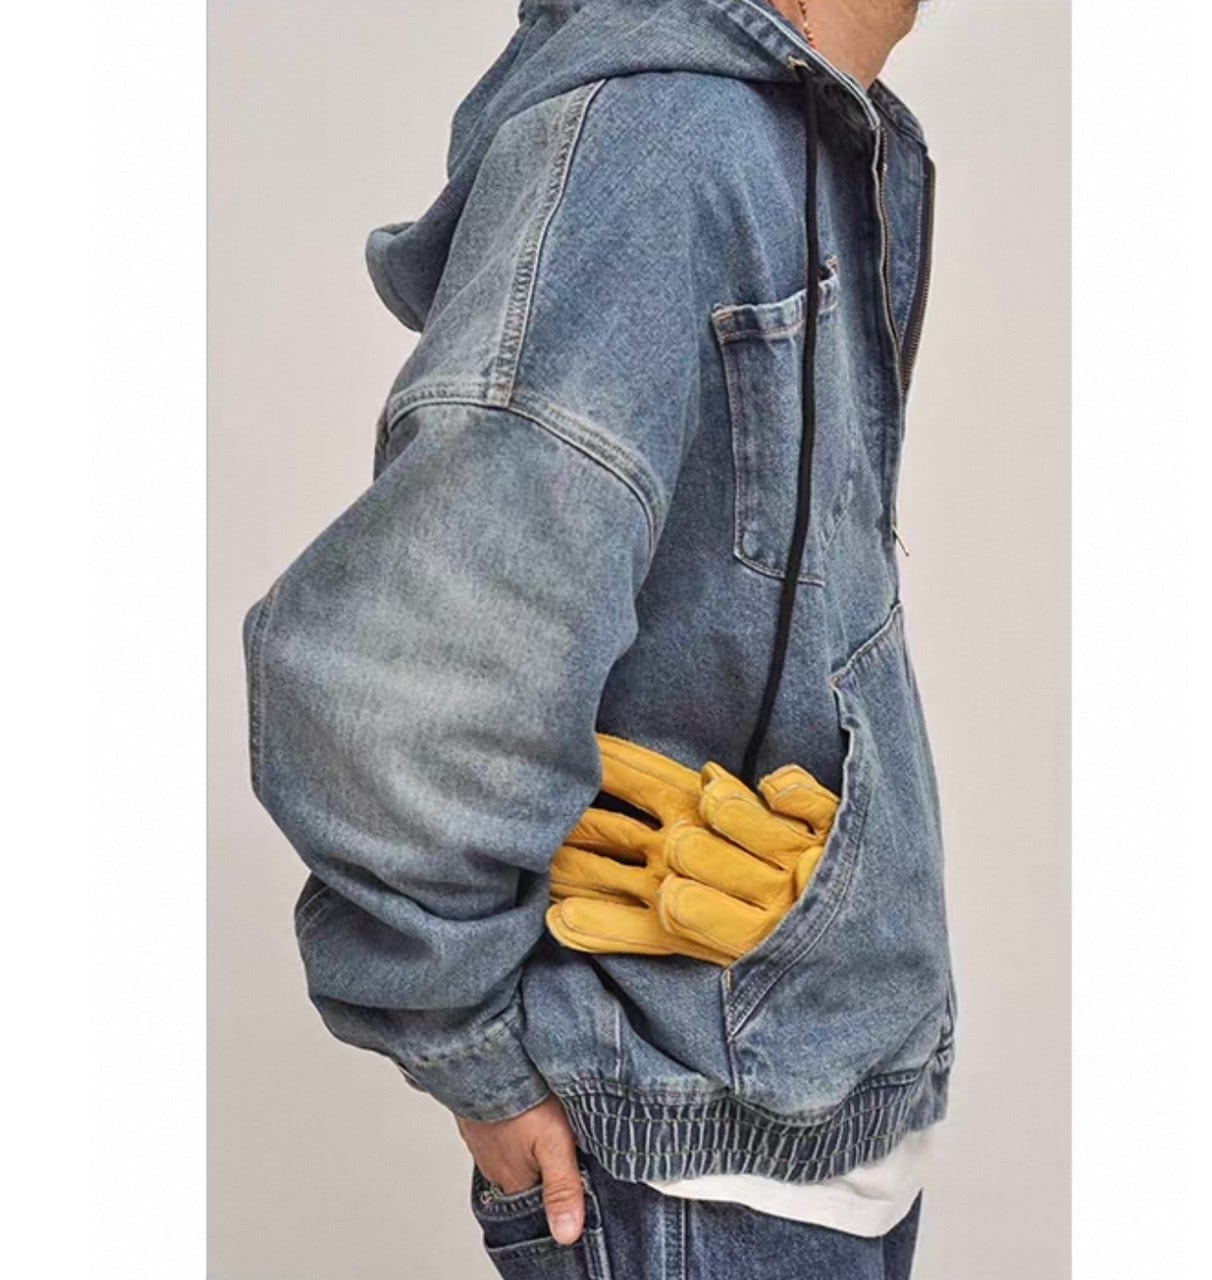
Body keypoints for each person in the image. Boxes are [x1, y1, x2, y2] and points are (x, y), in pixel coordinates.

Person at [243, 1, 955, 1275]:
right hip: (686, 1167)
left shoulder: (794, 136)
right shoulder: (657, 144)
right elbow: (402, 683)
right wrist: (470, 1046)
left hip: (812, 1131)